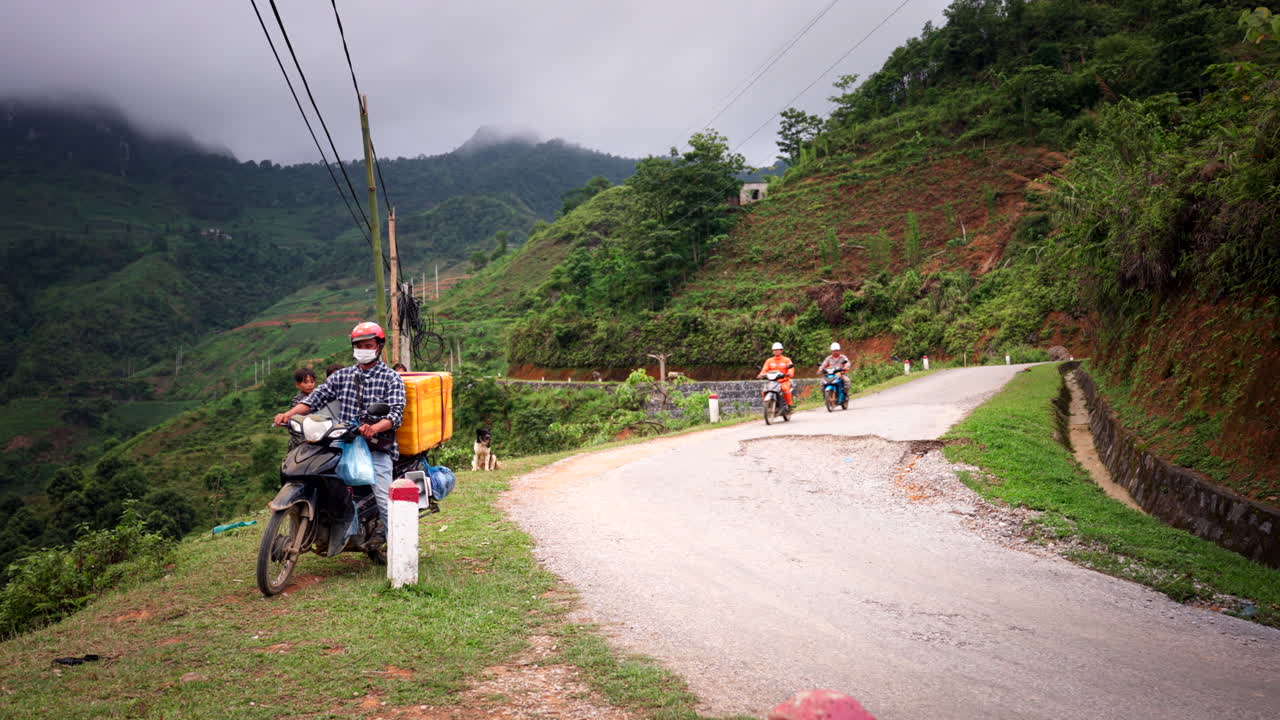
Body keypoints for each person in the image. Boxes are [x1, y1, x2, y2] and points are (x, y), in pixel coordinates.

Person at [274, 322, 406, 535]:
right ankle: (338, 530)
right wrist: (288, 415)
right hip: (345, 443)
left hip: (376, 447)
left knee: (385, 499)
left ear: (379, 346)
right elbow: (315, 399)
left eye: (368, 345)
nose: (363, 350)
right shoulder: (341, 376)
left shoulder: (391, 378)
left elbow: (395, 414)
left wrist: (375, 427)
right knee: (321, 479)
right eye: (358, 345)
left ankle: (401, 549)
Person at [285, 368, 318, 451]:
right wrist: (304, 441)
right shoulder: (297, 401)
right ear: (297, 384)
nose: (310, 385)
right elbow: (293, 425)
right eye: (305, 382)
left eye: (312, 381)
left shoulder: (320, 397)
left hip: (319, 436)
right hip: (301, 442)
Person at [757, 341, 795, 409]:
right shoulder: (769, 361)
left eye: (777, 350)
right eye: (774, 350)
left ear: (781, 350)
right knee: (764, 391)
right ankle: (767, 405)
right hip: (772, 382)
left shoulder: (786, 360)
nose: (776, 351)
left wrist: (790, 373)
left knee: (785, 389)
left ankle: (789, 405)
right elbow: (764, 369)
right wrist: (761, 374)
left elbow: (791, 368)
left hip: (784, 381)